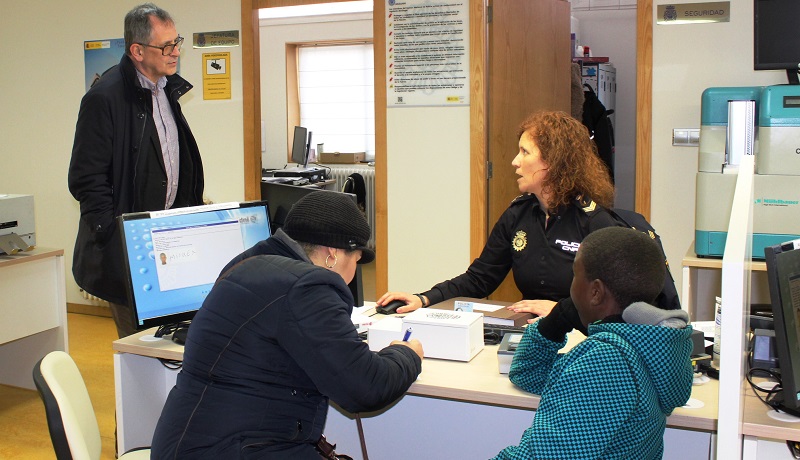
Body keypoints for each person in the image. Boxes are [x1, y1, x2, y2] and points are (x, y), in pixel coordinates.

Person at [151, 191, 423, 459]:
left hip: (190, 443)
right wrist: (406, 354)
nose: (354, 272)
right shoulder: (308, 286)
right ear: (333, 254)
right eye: (356, 259)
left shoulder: (248, 262)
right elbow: (365, 388)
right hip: (238, 448)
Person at [377, 110, 619, 320]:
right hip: (530, 331)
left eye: (525, 152)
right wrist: (424, 299)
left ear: (554, 162)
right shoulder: (518, 214)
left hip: (581, 336)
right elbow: (480, 278)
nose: (515, 161)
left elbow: (615, 301)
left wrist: (562, 311)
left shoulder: (594, 221)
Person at [493, 226, 694, 459]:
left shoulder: (606, 361)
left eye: (575, 275)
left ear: (596, 292)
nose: (571, 286)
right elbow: (529, 374)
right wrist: (556, 321)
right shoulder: (649, 347)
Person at [68, 3, 204, 338]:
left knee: (170, 342)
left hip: (167, 240)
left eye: (177, 42)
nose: (176, 52)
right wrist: (115, 237)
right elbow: (86, 179)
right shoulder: (104, 98)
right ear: (137, 51)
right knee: (140, 347)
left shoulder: (165, 90)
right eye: (166, 46)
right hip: (131, 248)